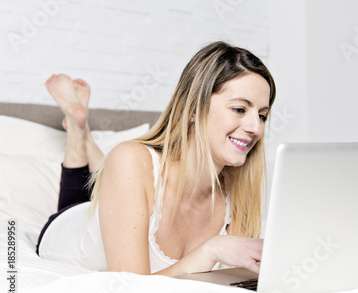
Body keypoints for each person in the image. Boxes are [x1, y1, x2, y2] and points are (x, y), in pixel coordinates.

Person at [36, 41, 276, 277]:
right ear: (194, 108)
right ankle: (80, 136)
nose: (256, 127)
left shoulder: (239, 193)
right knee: (95, 189)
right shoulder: (130, 158)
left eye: (262, 116)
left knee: (113, 175)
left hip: (124, 192)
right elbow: (129, 287)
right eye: (239, 109)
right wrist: (209, 251)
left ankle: (83, 134)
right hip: (67, 228)